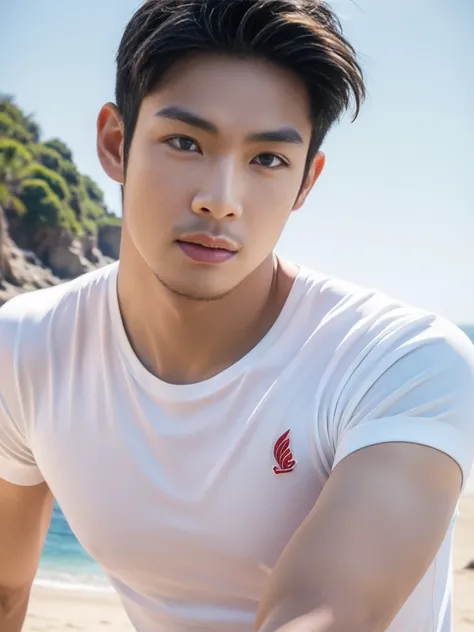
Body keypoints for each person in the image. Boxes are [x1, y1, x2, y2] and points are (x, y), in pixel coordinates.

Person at [1, 1, 473, 630]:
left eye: (268, 160)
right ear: (116, 144)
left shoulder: (402, 362)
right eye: (185, 142)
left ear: (306, 180)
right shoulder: (29, 348)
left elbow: (326, 614)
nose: (220, 200)